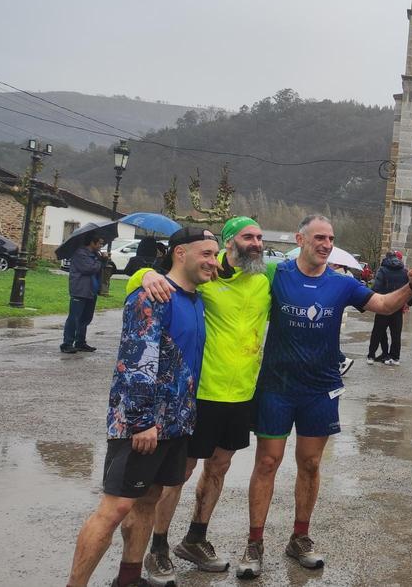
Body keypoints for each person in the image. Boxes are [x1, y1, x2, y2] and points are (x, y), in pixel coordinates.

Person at [237, 214, 412, 578]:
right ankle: (255, 543)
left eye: (331, 239)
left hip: (320, 388)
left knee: (310, 464)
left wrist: (411, 287)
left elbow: (386, 305)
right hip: (276, 386)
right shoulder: (276, 274)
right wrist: (153, 274)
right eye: (319, 238)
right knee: (267, 463)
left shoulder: (341, 284)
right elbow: (230, 269)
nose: (326, 245)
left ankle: (300, 538)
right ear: (300, 239)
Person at [65, 228, 219, 587]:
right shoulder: (152, 297)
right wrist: (140, 421)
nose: (214, 261)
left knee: (148, 500)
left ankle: (129, 578)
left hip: (177, 423)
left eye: (216, 254)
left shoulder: (194, 299)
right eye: (207, 253)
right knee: (114, 507)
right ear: (180, 253)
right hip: (144, 423)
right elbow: (136, 361)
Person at [129, 217, 275, 585]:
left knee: (219, 467)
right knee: (180, 472)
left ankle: (195, 538)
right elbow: (154, 279)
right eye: (248, 236)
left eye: (260, 237)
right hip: (202, 392)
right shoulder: (207, 279)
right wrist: (145, 274)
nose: (256, 242)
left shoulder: (264, 280)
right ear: (229, 242)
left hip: (241, 393)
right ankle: (158, 547)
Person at [62, 233, 108, 354]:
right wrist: (101, 260)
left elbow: (98, 268)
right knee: (74, 318)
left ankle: (80, 342)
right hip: (80, 290)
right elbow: (88, 268)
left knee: (86, 318)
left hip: (91, 290)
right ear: (92, 242)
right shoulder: (80, 253)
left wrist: (102, 260)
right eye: (100, 243)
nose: (101, 246)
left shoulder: (95, 254)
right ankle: (67, 343)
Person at [367, 250, 412, 366]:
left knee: (377, 332)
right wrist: (409, 302)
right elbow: (410, 289)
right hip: (398, 307)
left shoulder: (383, 270)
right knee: (396, 334)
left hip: (383, 305)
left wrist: (370, 298)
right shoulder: (405, 272)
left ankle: (371, 356)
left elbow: (376, 287)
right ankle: (395, 357)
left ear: (387, 259)